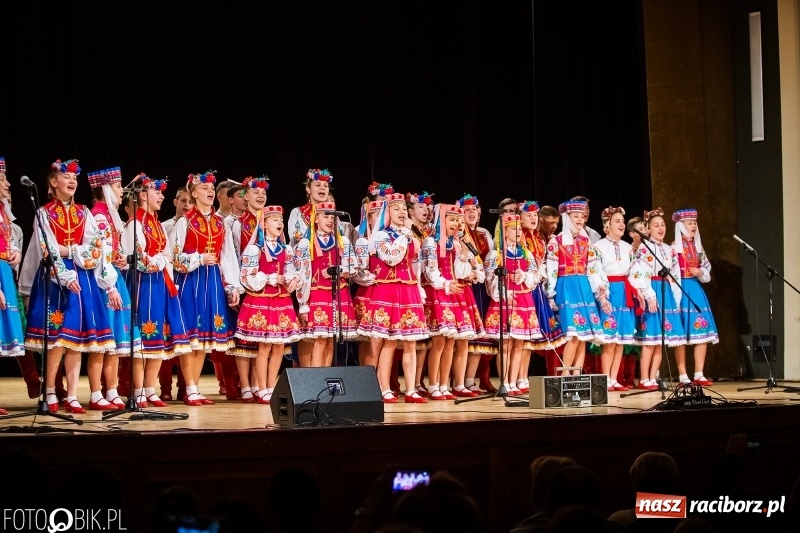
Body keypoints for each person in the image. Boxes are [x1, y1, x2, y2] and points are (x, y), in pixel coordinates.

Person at [20, 159, 116, 413]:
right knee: (56, 340)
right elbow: (47, 248)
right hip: (54, 279)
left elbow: (96, 245)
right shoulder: (43, 213)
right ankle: (50, 391)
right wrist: (65, 273)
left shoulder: (84, 212)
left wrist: (71, 250)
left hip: (82, 278)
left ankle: (72, 395)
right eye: (66, 177)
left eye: (74, 178)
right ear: (53, 182)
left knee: (75, 340)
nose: (72, 181)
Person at [171, 170, 243, 405]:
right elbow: (174, 258)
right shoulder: (185, 222)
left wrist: (232, 286)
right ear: (193, 193)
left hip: (211, 283)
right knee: (191, 337)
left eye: (212, 189)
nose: (210, 191)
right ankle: (189, 387)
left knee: (203, 340)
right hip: (190, 283)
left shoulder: (220, 223)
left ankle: (194, 387)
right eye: (204, 188)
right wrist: (198, 259)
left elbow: (228, 257)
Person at [122, 175, 193, 406]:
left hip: (159, 284)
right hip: (142, 285)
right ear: (143, 195)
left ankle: (150, 389)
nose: (162, 196)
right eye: (157, 192)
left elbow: (166, 253)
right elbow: (139, 259)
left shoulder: (156, 224)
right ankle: (138, 390)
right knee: (143, 338)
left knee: (157, 338)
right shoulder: (135, 224)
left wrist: (163, 262)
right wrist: (161, 261)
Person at [357, 193, 429, 403]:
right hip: (387, 290)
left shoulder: (412, 236)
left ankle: (411, 390)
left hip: (408, 291)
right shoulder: (380, 236)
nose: (401, 213)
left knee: (410, 342)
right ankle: (384, 387)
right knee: (388, 341)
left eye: (404, 210)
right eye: (396, 209)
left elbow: (416, 265)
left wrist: (419, 287)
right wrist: (405, 234)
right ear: (387, 213)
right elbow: (392, 256)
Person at [236, 205, 301, 404]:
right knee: (264, 347)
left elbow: (292, 269)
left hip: (281, 301)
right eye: (274, 219)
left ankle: (271, 386)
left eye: (281, 219)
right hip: (262, 300)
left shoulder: (286, 249)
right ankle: (261, 387)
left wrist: (292, 279)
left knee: (279, 347)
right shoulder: (255, 249)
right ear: (263, 224)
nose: (280, 223)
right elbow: (246, 277)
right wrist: (268, 278)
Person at [88, 167, 142, 409]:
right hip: (103, 281)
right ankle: (96, 393)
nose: (123, 192)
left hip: (114, 276)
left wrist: (119, 260)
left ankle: (111, 391)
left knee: (115, 341)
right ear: (106, 189)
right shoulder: (99, 216)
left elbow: (110, 252)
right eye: (119, 187)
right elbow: (99, 255)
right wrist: (110, 287)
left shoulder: (110, 217)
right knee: (103, 340)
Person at [294, 201, 359, 366]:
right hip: (317, 295)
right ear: (316, 219)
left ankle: (327, 378)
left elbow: (353, 267)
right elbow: (302, 275)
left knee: (332, 340)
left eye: (333, 216)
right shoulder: (305, 243)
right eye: (325, 216)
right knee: (320, 340)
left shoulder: (342, 240)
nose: (330, 220)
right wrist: (303, 304)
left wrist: (339, 270)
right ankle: (316, 381)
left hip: (338, 295)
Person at [421, 204, 476, 400]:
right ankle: (433, 384)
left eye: (457, 220)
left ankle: (445, 384)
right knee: (438, 341)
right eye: (451, 219)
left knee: (451, 341)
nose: (455, 223)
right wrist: (445, 284)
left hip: (453, 292)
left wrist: (464, 256)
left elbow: (460, 271)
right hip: (439, 291)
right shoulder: (430, 242)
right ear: (440, 220)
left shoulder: (456, 243)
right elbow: (428, 271)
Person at [484, 213, 542, 395]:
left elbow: (535, 276)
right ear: (504, 232)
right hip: (506, 300)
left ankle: (514, 381)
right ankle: (505, 382)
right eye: (513, 229)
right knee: (506, 344)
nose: (518, 232)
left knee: (519, 344)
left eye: (519, 229)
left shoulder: (526, 253)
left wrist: (523, 276)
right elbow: (489, 279)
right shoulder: (496, 254)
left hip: (523, 300)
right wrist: (503, 292)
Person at [545, 199, 605, 376]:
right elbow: (552, 271)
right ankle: (564, 375)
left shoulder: (586, 242)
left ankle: (576, 376)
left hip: (584, 288)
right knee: (573, 335)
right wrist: (550, 294)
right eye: (575, 216)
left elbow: (592, 268)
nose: (580, 219)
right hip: (566, 287)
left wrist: (599, 287)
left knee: (584, 337)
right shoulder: (556, 242)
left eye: (582, 216)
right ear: (567, 217)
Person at [629, 208, 685, 390]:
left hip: (665, 291)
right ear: (648, 229)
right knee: (650, 339)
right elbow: (638, 273)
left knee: (662, 340)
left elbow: (675, 276)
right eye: (656, 225)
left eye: (662, 225)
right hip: (652, 290)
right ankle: (644, 377)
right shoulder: (645, 247)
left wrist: (676, 297)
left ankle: (653, 377)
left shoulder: (669, 250)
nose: (660, 228)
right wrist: (649, 295)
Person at [588, 207, 638, 391]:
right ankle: (605, 379)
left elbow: (634, 271)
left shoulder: (628, 248)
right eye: (617, 221)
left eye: (622, 222)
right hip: (608, 291)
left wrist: (638, 292)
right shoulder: (598, 247)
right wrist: (602, 296)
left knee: (620, 341)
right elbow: (594, 272)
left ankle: (614, 378)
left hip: (625, 292)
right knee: (609, 341)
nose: (621, 224)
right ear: (606, 226)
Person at [518, 200, 566, 388]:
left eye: (556, 223)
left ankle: (524, 378)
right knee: (522, 336)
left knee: (532, 338)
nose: (554, 227)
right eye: (528, 215)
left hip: (538, 289)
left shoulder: (539, 240)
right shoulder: (521, 238)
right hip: (524, 288)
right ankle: (517, 378)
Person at [671, 209, 719, 386]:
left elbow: (707, 268)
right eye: (689, 223)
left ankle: (699, 373)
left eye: (694, 223)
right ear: (680, 226)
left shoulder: (699, 249)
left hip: (695, 289)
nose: (693, 225)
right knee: (681, 334)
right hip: (680, 290)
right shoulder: (673, 248)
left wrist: (700, 272)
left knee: (702, 332)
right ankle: (683, 375)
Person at [0, 157, 24, 414]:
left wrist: (13, 250)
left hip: (4, 271)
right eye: (3, 179)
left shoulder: (2, 211)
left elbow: (6, 240)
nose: (7, 183)